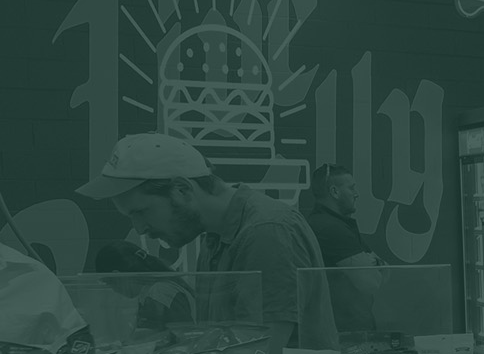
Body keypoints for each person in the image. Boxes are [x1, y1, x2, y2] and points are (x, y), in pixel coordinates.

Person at [75, 133, 338, 351]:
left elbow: (259, 348)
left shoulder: (265, 231)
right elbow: (218, 338)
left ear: (182, 189)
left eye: (141, 211)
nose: (140, 228)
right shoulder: (215, 237)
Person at [305, 163, 384, 334]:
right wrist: (375, 264)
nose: (357, 194)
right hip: (346, 332)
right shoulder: (331, 229)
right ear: (334, 192)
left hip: (342, 328)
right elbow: (371, 283)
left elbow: (385, 271)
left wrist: (375, 264)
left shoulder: (332, 224)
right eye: (351, 188)